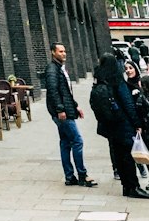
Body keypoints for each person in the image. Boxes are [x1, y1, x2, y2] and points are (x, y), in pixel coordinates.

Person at [90, 52, 148, 199]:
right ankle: (133, 187)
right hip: (123, 124)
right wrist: (137, 123)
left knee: (119, 157)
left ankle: (126, 187)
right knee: (128, 158)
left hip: (111, 126)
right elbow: (128, 104)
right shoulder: (117, 80)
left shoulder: (100, 80)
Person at [45, 42, 97, 187]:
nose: (64, 53)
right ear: (53, 53)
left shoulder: (59, 68)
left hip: (66, 110)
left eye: (64, 51)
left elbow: (66, 92)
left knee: (65, 143)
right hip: (62, 113)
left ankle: (69, 176)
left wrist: (75, 106)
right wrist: (60, 109)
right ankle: (82, 175)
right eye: (60, 51)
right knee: (77, 141)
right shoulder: (52, 70)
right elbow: (53, 90)